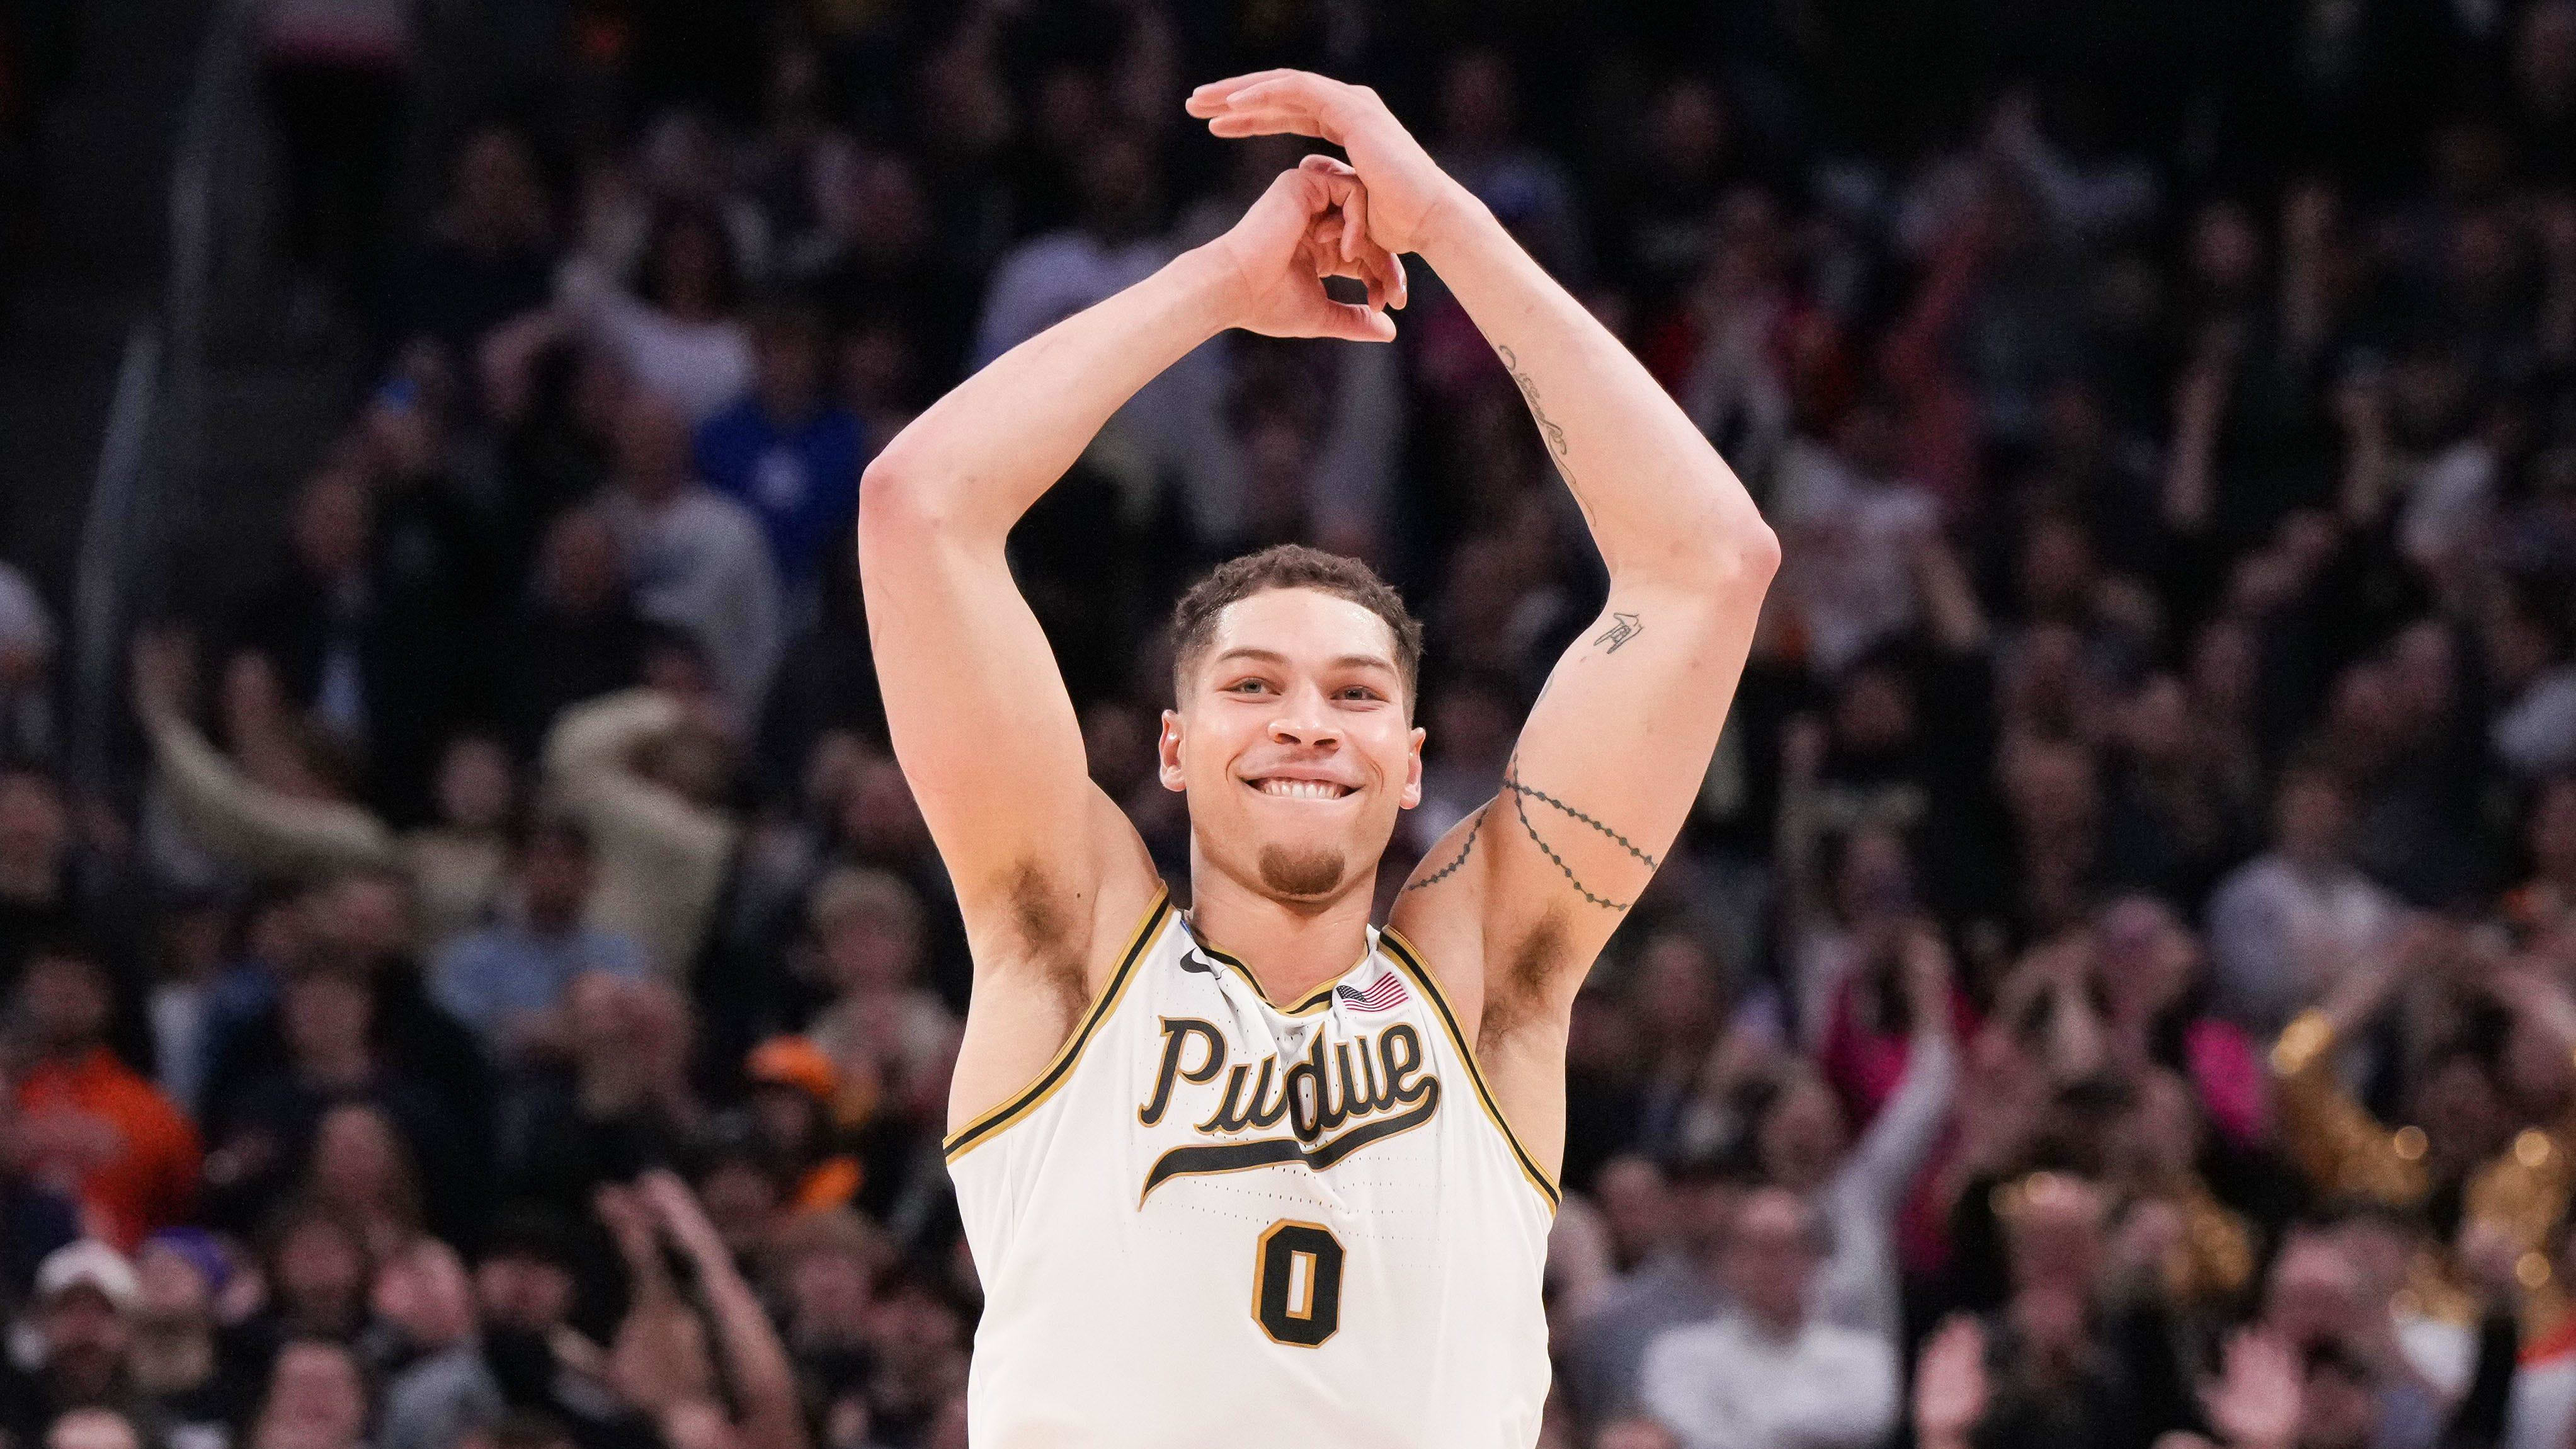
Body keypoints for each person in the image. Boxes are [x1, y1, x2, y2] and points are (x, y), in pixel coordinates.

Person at [859, 69, 1776, 1448]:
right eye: (1252, 684)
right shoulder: (1068, 947)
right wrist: (1217, 285)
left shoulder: (1485, 984)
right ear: (1171, 745)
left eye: (1353, 692)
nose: (1304, 720)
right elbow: (920, 508)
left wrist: (1450, 228)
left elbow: (1709, 566)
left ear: (1409, 763)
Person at [1636, 1186, 1901, 1449]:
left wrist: (1742, 1418)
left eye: (1790, 1246)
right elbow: (1687, 1434)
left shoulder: (1865, 1356)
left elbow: (1869, 1422)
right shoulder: (1676, 1354)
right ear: (1725, 1260)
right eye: (1758, 1247)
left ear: (1816, 1260)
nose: (1774, 1263)